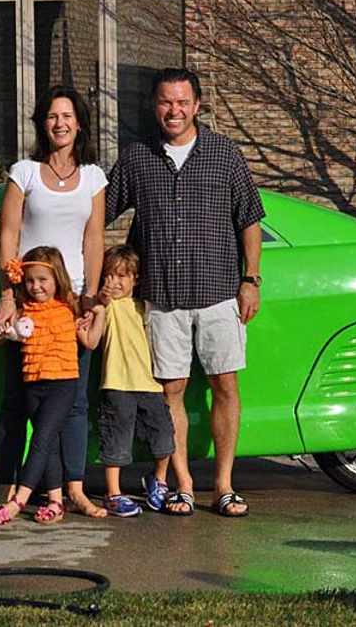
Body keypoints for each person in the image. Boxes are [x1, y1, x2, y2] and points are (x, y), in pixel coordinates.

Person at [105, 68, 265, 517]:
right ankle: (183, 485)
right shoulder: (136, 158)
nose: (173, 111)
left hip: (218, 292)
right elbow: (100, 210)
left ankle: (226, 486)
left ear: (197, 105)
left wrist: (250, 280)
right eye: (164, 102)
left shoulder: (224, 154)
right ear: (154, 106)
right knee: (170, 390)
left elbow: (249, 220)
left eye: (182, 102)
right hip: (161, 295)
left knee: (224, 385)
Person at [0, 85, 108, 518]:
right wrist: (8, 292)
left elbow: (94, 239)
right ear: (43, 123)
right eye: (52, 116)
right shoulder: (23, 172)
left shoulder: (94, 177)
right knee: (18, 400)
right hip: (29, 302)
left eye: (68, 116)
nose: (60, 123)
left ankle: (72, 490)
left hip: (71, 302)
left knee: (74, 401)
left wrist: (91, 295)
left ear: (79, 123)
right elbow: (9, 235)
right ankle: (9, 486)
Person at [0, 246, 105, 525]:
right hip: (33, 383)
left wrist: (99, 314)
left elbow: (90, 342)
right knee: (47, 442)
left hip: (63, 384)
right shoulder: (21, 308)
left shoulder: (71, 306)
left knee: (40, 440)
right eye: (29, 280)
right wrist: (2, 332)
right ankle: (55, 501)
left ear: (57, 279)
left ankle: (18, 502)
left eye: (42, 280)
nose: (36, 286)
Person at [96, 245, 175, 517]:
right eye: (109, 276)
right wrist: (101, 300)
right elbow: (97, 318)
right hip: (117, 382)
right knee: (116, 439)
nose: (114, 282)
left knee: (163, 434)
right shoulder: (106, 307)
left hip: (150, 383)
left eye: (121, 276)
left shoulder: (145, 307)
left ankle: (160, 480)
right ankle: (113, 492)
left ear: (135, 279)